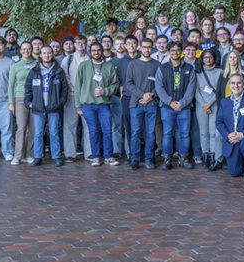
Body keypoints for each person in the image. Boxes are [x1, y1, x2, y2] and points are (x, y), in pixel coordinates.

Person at [76, 42, 120, 167]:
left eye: (98, 50)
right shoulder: (83, 66)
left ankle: (108, 156)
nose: (96, 52)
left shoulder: (109, 66)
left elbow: (115, 85)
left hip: (104, 104)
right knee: (93, 131)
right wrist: (78, 106)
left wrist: (104, 91)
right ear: (90, 51)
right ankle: (96, 157)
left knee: (107, 130)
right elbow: (78, 87)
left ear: (102, 51)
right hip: (88, 105)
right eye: (94, 50)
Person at [155, 42, 196, 170]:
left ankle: (183, 158)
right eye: (172, 50)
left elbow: (191, 88)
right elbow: (159, 87)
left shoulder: (189, 68)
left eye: (178, 50)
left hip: (185, 108)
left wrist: (182, 103)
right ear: (169, 52)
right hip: (167, 108)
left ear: (182, 51)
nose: (175, 52)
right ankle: (167, 158)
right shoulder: (162, 68)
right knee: (167, 133)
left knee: (184, 134)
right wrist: (170, 102)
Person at [24, 45, 68, 166]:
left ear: (52, 54)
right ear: (40, 55)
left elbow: (64, 89)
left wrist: (60, 102)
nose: (47, 55)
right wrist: (29, 103)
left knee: (54, 132)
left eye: (49, 53)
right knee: (38, 133)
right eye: (44, 53)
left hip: (54, 107)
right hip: (38, 107)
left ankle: (56, 156)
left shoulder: (59, 71)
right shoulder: (34, 71)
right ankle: (37, 156)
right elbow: (28, 88)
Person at [125, 38, 159, 170]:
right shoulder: (133, 64)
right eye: (144, 47)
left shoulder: (157, 65)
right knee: (135, 132)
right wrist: (142, 95)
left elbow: (160, 84)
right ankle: (135, 159)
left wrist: (150, 96)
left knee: (150, 132)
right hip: (136, 104)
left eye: (149, 47)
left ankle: (149, 159)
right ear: (140, 47)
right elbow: (128, 83)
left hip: (151, 104)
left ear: (152, 47)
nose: (147, 49)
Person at [61, 35, 89, 162]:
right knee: (69, 125)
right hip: (71, 96)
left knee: (88, 126)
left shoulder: (89, 58)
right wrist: (71, 86)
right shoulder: (67, 59)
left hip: (87, 97)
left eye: (83, 42)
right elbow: (64, 76)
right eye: (78, 42)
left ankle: (89, 153)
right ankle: (70, 154)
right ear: (74, 44)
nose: (80, 45)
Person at [195, 49, 224, 170]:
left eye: (210, 57)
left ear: (214, 58)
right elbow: (196, 90)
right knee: (204, 132)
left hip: (215, 104)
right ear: (202, 59)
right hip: (201, 105)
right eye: (205, 57)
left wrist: (210, 104)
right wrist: (203, 104)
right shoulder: (197, 72)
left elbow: (219, 90)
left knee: (214, 133)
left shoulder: (220, 72)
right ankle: (205, 154)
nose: (208, 60)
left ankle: (214, 155)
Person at [8, 42, 36, 165]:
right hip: (20, 98)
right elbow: (10, 85)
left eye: (28, 49)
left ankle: (29, 154)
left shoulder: (37, 64)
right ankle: (18, 156)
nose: (26, 51)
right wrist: (11, 102)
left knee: (33, 129)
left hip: (35, 99)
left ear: (32, 50)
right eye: (24, 49)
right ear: (20, 50)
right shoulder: (15, 66)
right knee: (21, 128)